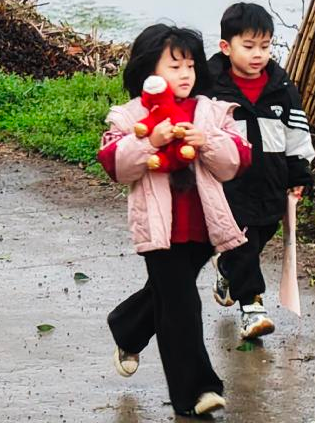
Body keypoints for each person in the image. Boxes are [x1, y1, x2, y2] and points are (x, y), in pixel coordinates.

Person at [99, 24, 252, 418]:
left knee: (168, 296)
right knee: (183, 304)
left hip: (204, 227)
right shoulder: (130, 115)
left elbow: (237, 161)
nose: (185, 74)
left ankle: (128, 326)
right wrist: (151, 141)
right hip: (159, 230)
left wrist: (207, 141)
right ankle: (197, 392)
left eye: (190, 65)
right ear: (149, 69)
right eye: (174, 66)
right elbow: (115, 165)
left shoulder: (211, 111)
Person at [208, 2, 315, 340]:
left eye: (265, 46)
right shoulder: (212, 89)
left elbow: (296, 133)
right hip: (229, 184)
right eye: (249, 46)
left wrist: (298, 173)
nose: (258, 54)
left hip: (271, 180)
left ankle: (227, 267)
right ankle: (252, 308)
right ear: (226, 47)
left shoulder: (281, 89)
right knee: (242, 240)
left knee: (262, 232)